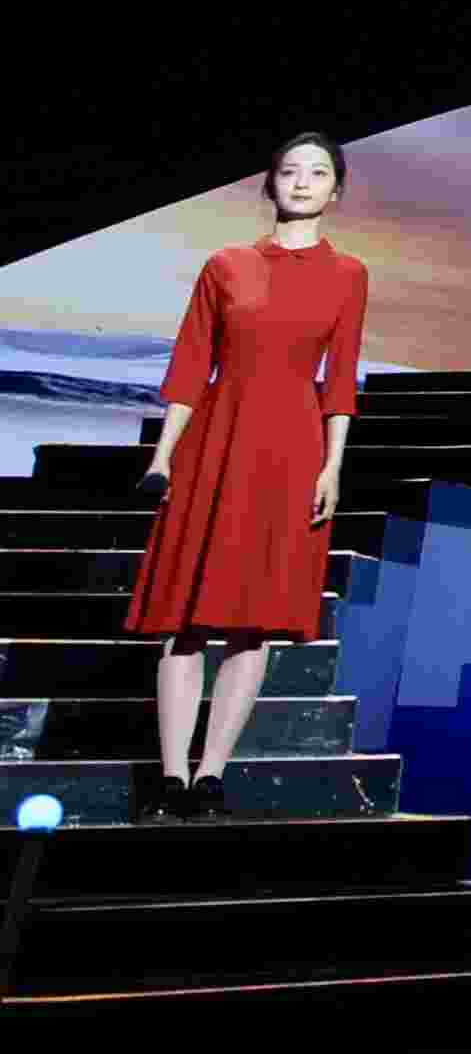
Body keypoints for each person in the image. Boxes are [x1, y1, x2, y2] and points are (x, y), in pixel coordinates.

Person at [125, 132, 366, 823]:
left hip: (290, 453)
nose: (302, 182)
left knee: (253, 625)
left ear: (336, 190)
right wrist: (162, 455)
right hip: (215, 443)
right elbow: (188, 366)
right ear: (270, 183)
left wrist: (332, 465)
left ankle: (210, 776)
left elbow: (341, 380)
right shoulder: (226, 264)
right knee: (185, 620)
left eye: (317, 173)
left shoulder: (348, 275)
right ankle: (171, 778)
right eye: (289, 171)